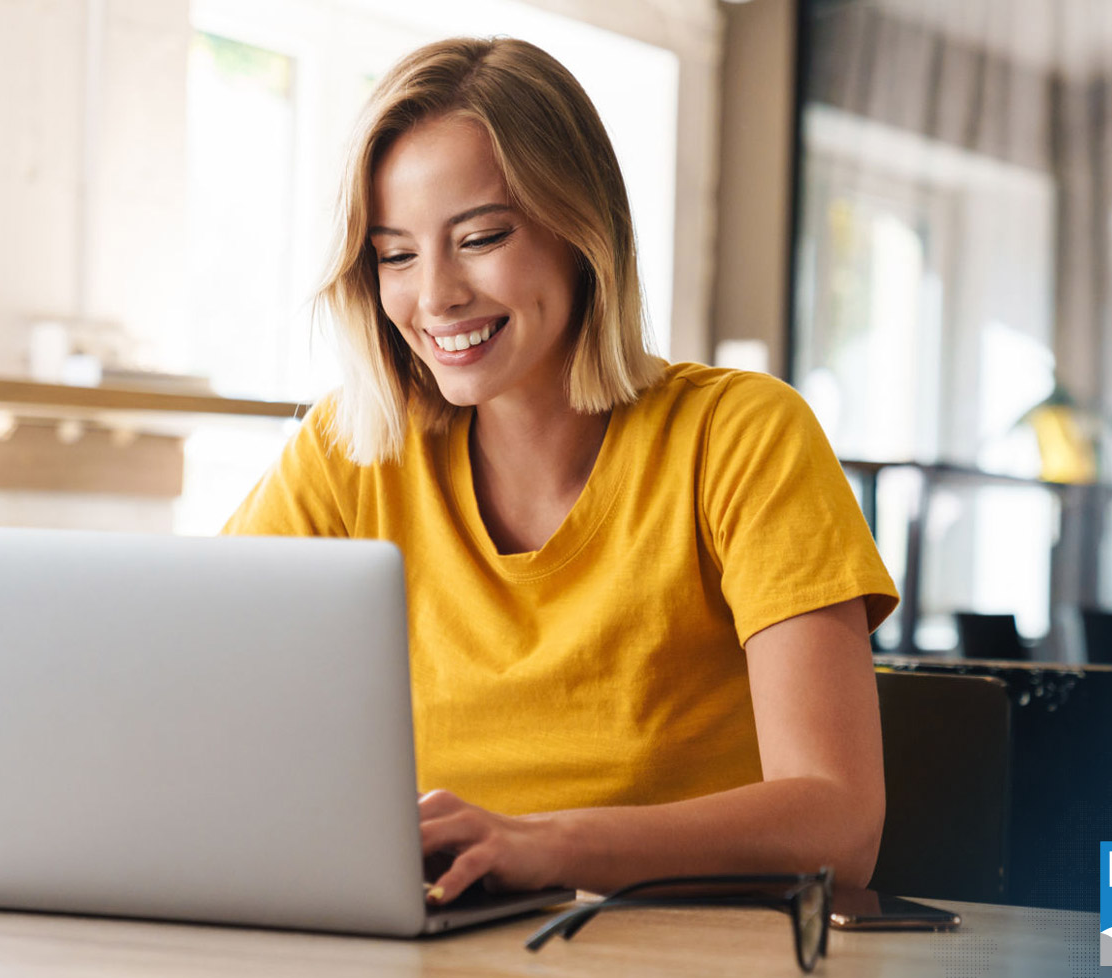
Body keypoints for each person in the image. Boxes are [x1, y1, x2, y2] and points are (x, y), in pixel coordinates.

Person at [223, 36, 898, 905]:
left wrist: (545, 843)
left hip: (684, 958)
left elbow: (840, 827)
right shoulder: (351, 451)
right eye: (395, 254)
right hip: (433, 953)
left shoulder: (741, 436)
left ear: (582, 231)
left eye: (480, 238)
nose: (434, 297)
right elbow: (198, 705)